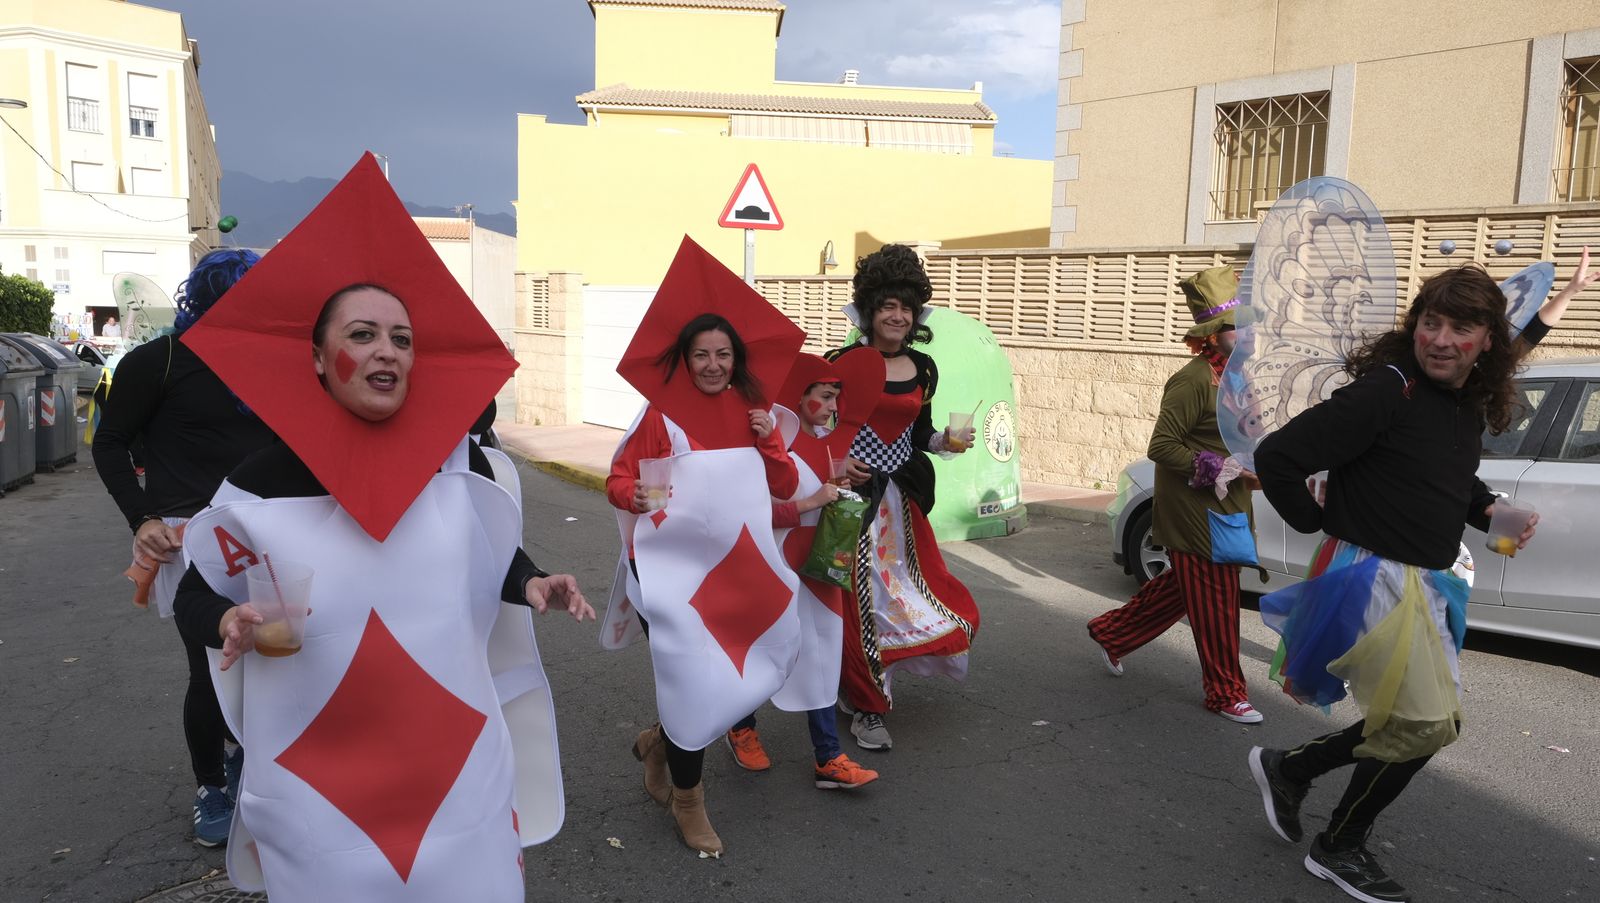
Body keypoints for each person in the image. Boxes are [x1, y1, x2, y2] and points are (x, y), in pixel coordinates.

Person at [174, 283, 591, 899]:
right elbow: (193, 595)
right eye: (362, 335)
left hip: (456, 773)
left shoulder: (459, 466)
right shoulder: (262, 483)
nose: (387, 351)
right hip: (320, 784)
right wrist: (225, 619)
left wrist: (531, 580)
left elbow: (491, 554)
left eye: (402, 339)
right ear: (319, 358)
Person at [1247, 265, 1539, 903]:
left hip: (1425, 580)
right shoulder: (1389, 389)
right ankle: (1338, 845)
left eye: (1461, 329)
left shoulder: (1461, 400)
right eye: (1431, 323)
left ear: (1486, 341)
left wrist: (1490, 510)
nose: (1441, 340)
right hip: (1370, 577)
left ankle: (1290, 769)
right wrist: (1321, 522)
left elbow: (1447, 477)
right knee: (1421, 723)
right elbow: (1277, 458)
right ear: (1415, 327)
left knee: (1427, 722)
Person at [90, 248, 275, 847]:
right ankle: (210, 786)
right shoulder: (160, 360)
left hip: (269, 528)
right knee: (212, 663)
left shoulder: (275, 364)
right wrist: (140, 516)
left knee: (270, 655)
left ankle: (246, 756)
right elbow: (109, 442)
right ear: (207, 300)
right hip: (190, 534)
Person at [606, 312, 801, 857]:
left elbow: (786, 487)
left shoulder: (757, 412)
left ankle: (658, 742)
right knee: (690, 680)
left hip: (741, 573)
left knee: (765, 662)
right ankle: (688, 802)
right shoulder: (661, 414)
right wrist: (632, 495)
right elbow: (619, 479)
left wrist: (770, 441)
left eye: (723, 354)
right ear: (685, 360)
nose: (712, 365)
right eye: (701, 355)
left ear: (736, 360)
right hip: (667, 573)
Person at [1087, 266, 1264, 723]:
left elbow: (1240, 438)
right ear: (1213, 335)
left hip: (1228, 504)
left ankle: (1111, 632)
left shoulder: (1238, 377)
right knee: (1217, 599)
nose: (1247, 334)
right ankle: (1225, 693)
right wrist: (1224, 467)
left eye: (1248, 325)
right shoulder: (1192, 379)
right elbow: (1162, 447)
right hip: (1194, 510)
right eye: (1237, 327)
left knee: (1188, 588)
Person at [827, 244, 980, 752]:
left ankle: (861, 688)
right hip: (850, 505)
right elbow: (814, 434)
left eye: (906, 308)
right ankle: (868, 705)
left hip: (900, 505)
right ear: (870, 310)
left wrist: (946, 442)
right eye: (888, 306)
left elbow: (919, 435)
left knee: (907, 595)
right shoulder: (840, 365)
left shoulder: (924, 368)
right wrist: (835, 464)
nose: (897, 316)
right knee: (859, 602)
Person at [724, 354, 881, 791]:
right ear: (799, 396)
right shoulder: (768, 442)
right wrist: (814, 500)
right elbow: (757, 512)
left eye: (836, 398)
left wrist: (840, 488)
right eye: (825, 396)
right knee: (764, 649)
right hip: (775, 566)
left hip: (823, 566)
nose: (833, 407)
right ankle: (741, 727)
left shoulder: (831, 445)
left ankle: (828, 757)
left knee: (823, 655)